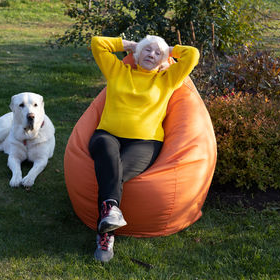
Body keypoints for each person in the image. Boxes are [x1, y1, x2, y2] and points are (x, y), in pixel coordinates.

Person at [89, 35, 200, 262]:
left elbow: (193, 54)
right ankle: (109, 220)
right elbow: (97, 43)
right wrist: (131, 45)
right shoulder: (117, 70)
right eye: (146, 51)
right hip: (107, 135)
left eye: (156, 54)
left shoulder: (167, 79)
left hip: (145, 143)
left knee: (112, 173)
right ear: (136, 56)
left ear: (163, 61)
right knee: (105, 151)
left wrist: (166, 50)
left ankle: (106, 232)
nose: (151, 55)